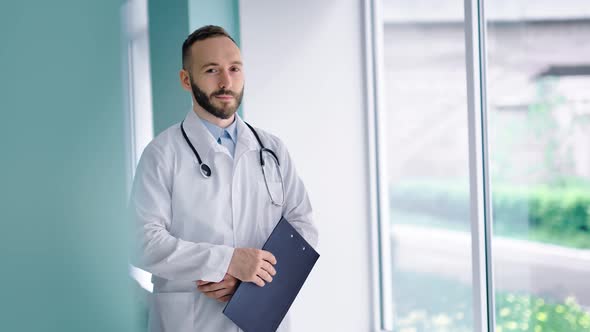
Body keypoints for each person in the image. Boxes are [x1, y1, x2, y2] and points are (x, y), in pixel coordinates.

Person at [129, 25, 319, 332]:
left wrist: (249, 288)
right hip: (190, 321)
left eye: (234, 68)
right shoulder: (162, 153)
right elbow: (141, 241)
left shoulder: (272, 149)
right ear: (186, 80)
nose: (226, 81)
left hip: (261, 317)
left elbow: (303, 231)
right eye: (211, 70)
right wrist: (226, 261)